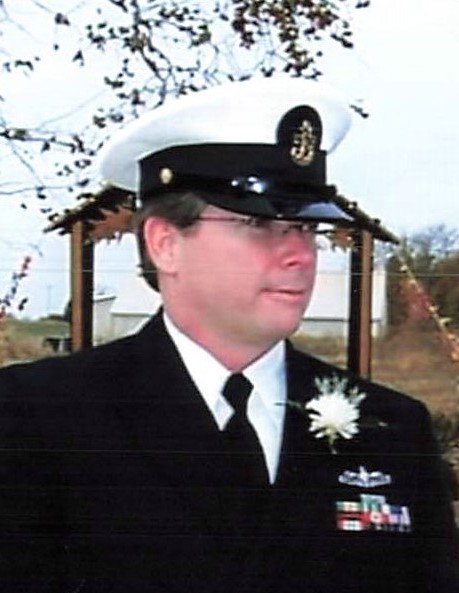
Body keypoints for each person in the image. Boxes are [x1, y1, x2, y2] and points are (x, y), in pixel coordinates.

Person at [0, 77, 458, 593]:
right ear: (165, 244)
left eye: (306, 228)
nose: (300, 254)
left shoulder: (392, 429)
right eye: (259, 225)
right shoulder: (40, 417)